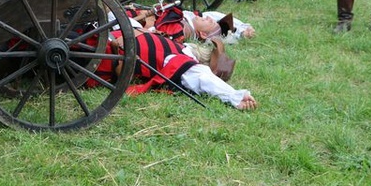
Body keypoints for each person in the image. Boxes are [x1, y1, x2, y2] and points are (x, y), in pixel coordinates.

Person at [93, 29, 256, 110]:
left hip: (98, 37)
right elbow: (203, 78)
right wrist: (235, 96)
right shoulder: (183, 58)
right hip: (99, 59)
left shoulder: (174, 45)